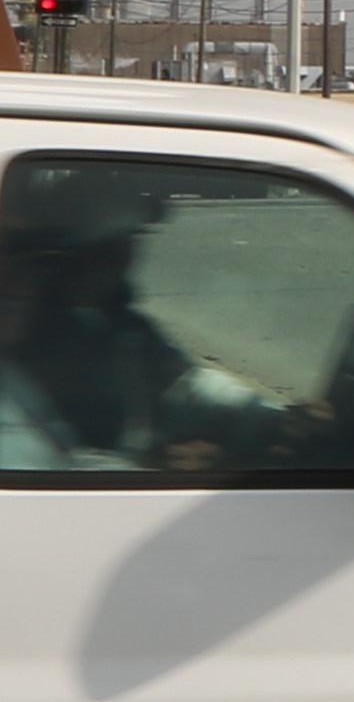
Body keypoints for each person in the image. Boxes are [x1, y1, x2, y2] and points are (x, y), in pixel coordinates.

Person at [0, 165, 306, 475]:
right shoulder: (32, 341)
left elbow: (179, 385)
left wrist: (272, 417)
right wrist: (151, 470)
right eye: (110, 246)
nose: (125, 258)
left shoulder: (116, 324)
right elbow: (40, 468)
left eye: (128, 242)